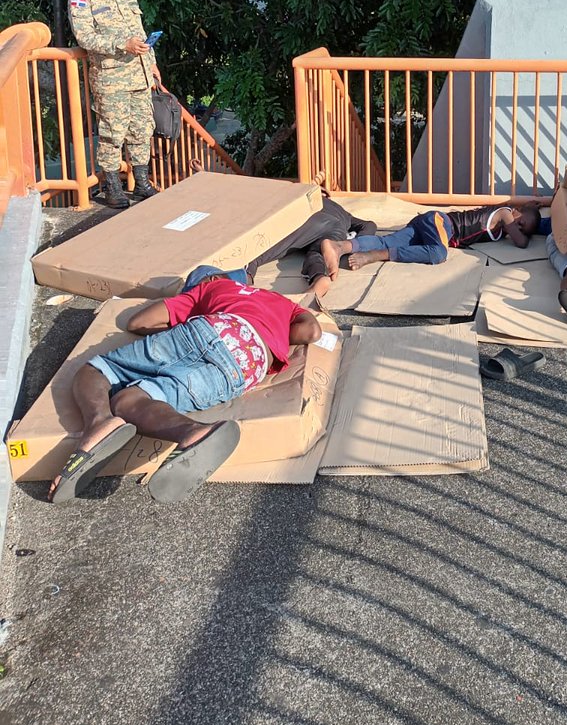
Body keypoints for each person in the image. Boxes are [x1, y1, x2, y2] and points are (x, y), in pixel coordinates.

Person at [48, 265, 321, 505]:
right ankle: (193, 433)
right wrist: (274, 339)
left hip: (214, 327)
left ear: (204, 281)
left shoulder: (210, 290)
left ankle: (98, 421)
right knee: (128, 400)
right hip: (248, 367)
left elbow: (139, 321)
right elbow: (312, 332)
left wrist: (173, 334)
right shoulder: (282, 303)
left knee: (97, 370)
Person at [68, 0, 161, 210]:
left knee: (143, 129)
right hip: (111, 79)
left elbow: (139, 31)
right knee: (113, 132)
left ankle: (142, 182)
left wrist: (152, 61)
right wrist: (121, 45)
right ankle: (112, 187)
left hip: (140, 73)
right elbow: (85, 37)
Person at [324, 203, 542, 269]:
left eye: (522, 228)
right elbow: (521, 243)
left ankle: (340, 246)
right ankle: (377, 255)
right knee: (438, 254)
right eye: (521, 222)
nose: (518, 228)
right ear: (516, 210)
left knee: (386, 239)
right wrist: (524, 232)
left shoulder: (503, 226)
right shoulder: (504, 213)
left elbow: (519, 237)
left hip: (430, 229)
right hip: (440, 223)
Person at [245, 197, 377, 299]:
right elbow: (370, 225)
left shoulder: (303, 199)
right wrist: (352, 247)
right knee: (318, 252)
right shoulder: (344, 213)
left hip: (309, 221)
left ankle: (245, 274)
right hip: (337, 228)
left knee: (266, 247)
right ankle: (318, 277)